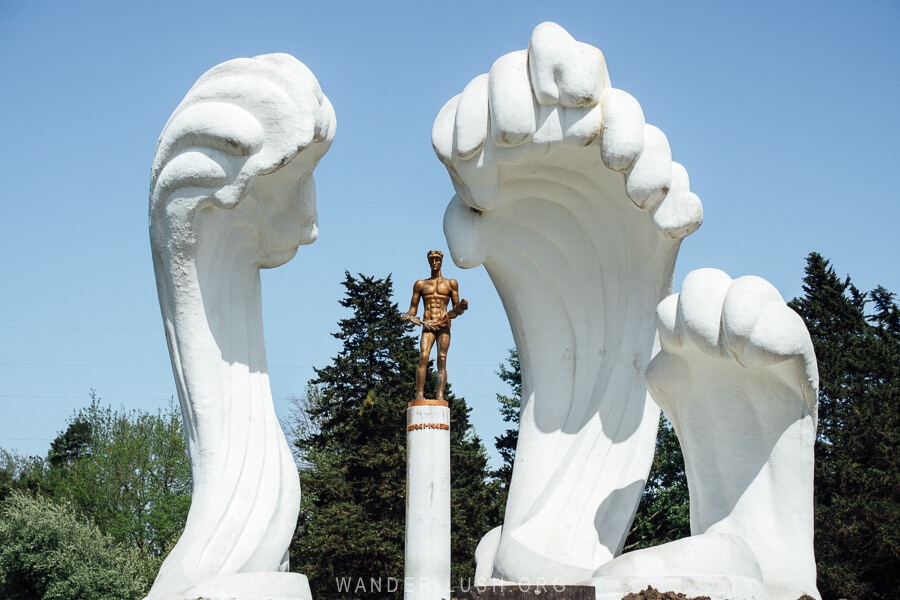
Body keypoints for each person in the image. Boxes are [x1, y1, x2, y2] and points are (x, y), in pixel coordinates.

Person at [402, 250, 468, 401]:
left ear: (441, 261)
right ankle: (419, 394)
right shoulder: (420, 284)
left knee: (442, 358)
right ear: (428, 262)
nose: (435, 263)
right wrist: (408, 317)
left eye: (437, 260)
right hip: (428, 325)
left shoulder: (451, 284)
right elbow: (412, 310)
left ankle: (440, 395)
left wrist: (462, 307)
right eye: (432, 260)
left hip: (444, 325)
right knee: (423, 356)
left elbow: (456, 309)